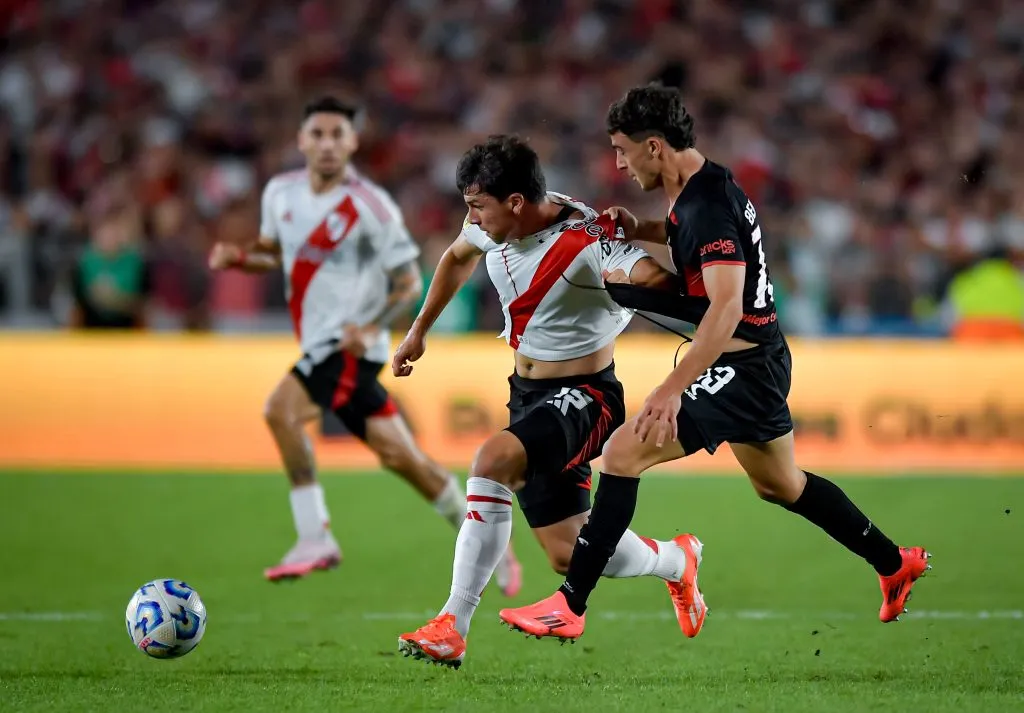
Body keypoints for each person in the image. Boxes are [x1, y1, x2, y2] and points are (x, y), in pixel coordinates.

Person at [501, 85, 930, 643]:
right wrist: (642, 229)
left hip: (742, 367)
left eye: (622, 150)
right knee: (780, 484)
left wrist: (672, 388)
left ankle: (570, 604)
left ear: (654, 147)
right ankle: (894, 563)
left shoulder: (705, 205)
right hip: (760, 360)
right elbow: (693, 243)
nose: (619, 164)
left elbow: (725, 308)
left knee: (624, 453)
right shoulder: (702, 188)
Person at [393, 135, 702, 669]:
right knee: (568, 553)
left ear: (515, 202)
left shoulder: (586, 239)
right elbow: (457, 256)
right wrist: (419, 330)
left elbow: (646, 274)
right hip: (529, 396)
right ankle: (677, 560)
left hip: (587, 395)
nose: (472, 219)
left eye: (478, 207)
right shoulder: (495, 224)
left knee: (491, 461)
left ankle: (451, 625)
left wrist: (654, 282)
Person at [208, 96, 521, 590]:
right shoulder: (280, 195)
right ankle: (495, 549)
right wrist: (241, 259)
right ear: (301, 140)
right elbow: (275, 252)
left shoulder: (370, 207)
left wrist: (370, 324)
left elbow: (408, 283)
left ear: (353, 143)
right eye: (318, 134)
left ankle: (315, 537)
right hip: (319, 343)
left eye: (338, 135)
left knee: (280, 411)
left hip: (351, 346)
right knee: (404, 459)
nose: (327, 144)